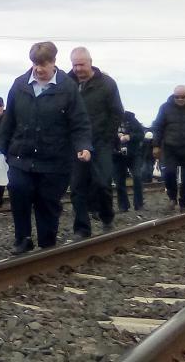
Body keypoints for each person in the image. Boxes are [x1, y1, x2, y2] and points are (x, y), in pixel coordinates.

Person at [0, 42, 92, 254]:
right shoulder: (20, 85)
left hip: (54, 159)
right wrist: (0, 147)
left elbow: (79, 123)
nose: (38, 69)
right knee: (19, 192)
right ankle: (23, 239)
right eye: (34, 64)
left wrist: (83, 146)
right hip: (21, 155)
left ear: (54, 62)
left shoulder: (67, 88)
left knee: (47, 202)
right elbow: (9, 120)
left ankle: (47, 244)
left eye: (43, 64)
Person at [67, 47, 123, 238]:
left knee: (102, 183)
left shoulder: (107, 84)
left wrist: (106, 136)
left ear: (90, 62)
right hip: (75, 143)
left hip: (100, 142)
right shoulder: (67, 84)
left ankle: (107, 216)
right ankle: (82, 228)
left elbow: (117, 112)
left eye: (81, 64)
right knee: (77, 186)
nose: (78, 68)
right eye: (74, 64)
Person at [112, 111, 146, 212]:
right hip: (117, 155)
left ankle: (139, 204)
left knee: (137, 177)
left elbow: (141, 134)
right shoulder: (110, 120)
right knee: (119, 180)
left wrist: (129, 136)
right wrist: (116, 136)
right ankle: (123, 206)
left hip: (133, 154)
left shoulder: (131, 119)